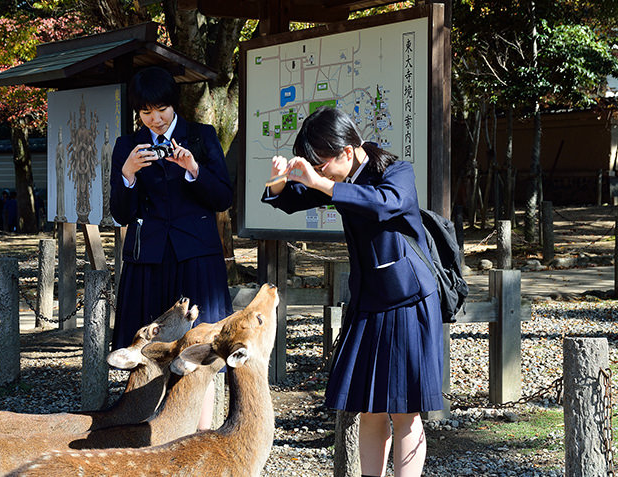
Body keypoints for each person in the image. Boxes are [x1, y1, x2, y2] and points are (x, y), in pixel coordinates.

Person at [261, 107, 443, 477]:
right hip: (368, 301)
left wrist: (323, 184)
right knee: (370, 406)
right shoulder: (339, 175)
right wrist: (279, 183)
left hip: (408, 301)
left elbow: (384, 204)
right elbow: (292, 199)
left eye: (323, 164)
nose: (320, 172)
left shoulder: (396, 171)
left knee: (405, 411)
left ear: (346, 151)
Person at [109, 66, 233, 430]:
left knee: (201, 347)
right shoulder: (126, 145)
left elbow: (222, 197)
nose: (155, 119)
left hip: (197, 257)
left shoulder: (202, 136)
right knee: (149, 348)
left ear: (173, 105)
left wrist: (194, 169)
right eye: (146, 112)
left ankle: (201, 430)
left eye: (161, 109)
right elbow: (120, 213)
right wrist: (127, 175)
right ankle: (152, 428)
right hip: (148, 258)